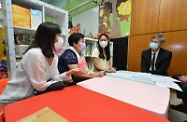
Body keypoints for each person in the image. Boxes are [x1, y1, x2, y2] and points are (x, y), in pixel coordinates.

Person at [0, 22, 83, 109]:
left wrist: (67, 74)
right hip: (15, 101)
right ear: (48, 38)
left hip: (32, 97)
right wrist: (60, 82)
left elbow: (54, 76)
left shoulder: (54, 56)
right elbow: (39, 86)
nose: (60, 40)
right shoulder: (35, 54)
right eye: (57, 36)